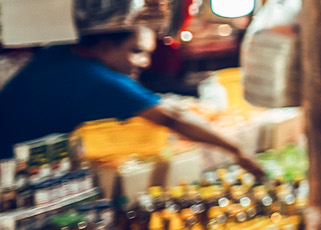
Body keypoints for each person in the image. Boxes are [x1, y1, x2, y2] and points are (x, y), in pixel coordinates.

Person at [0, 29, 260, 174]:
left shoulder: (61, 52)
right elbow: (174, 118)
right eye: (136, 51)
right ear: (104, 46)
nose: (145, 62)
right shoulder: (101, 80)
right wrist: (236, 150)